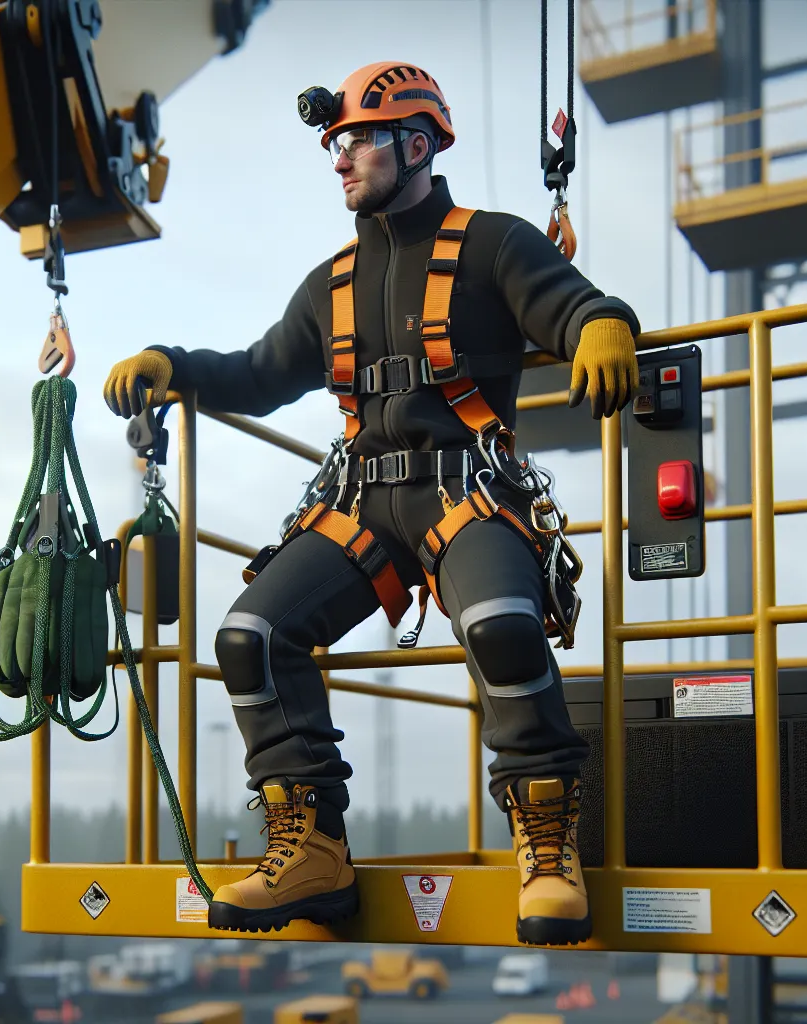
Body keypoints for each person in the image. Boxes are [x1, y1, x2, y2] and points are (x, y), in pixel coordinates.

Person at [102, 62, 640, 946]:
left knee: (502, 623)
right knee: (250, 636)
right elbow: (260, 373)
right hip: (361, 503)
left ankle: (547, 848)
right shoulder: (332, 284)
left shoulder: (498, 246)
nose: (341, 160)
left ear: (417, 145)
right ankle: (314, 850)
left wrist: (605, 321)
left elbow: (570, 305)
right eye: (335, 145)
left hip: (468, 493)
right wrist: (174, 365)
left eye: (357, 141)